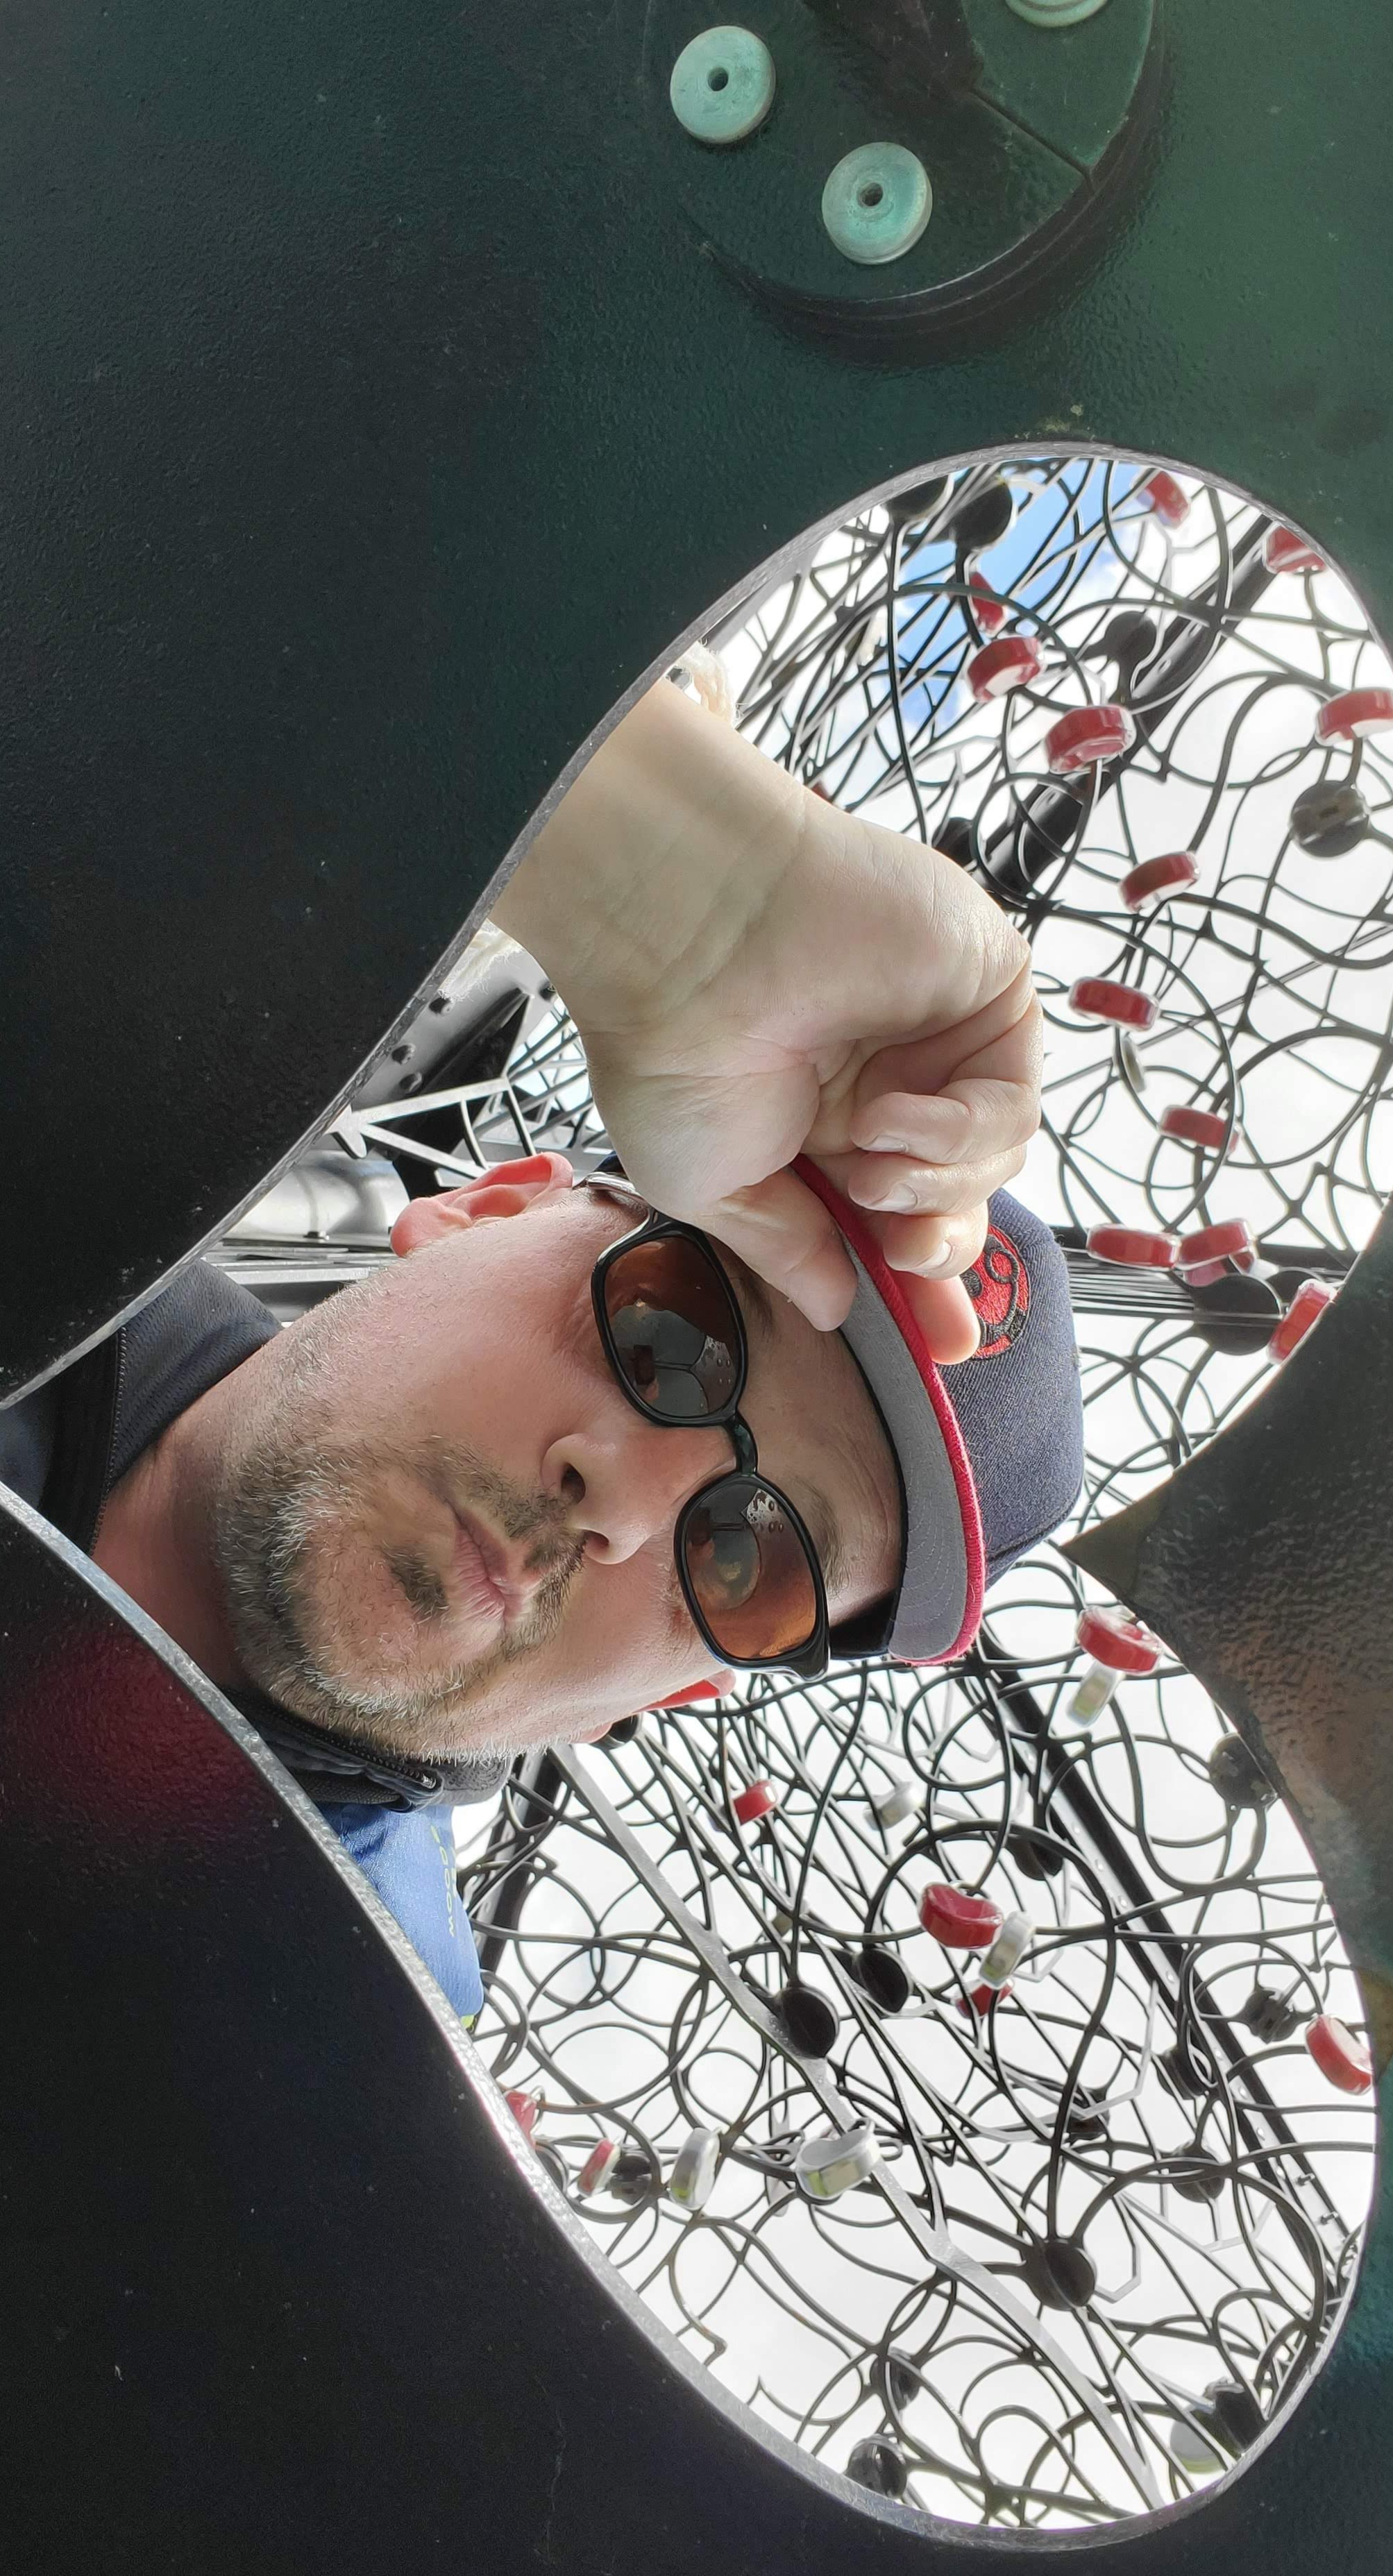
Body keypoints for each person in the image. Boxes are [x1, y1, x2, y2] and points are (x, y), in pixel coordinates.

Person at [0, 676, 1079, 2017]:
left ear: (669, 1696)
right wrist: (644, 851)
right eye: (671, 1333)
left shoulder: (336, 2058)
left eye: (750, 1560)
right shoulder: (42, 1116)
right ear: (487, 1205)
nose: (623, 1500)